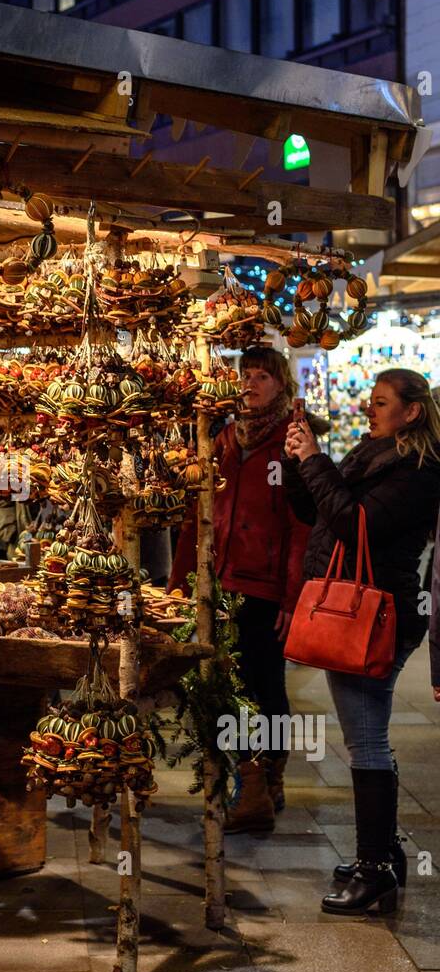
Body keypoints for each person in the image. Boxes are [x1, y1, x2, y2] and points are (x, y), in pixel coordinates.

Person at [284, 368, 440, 916]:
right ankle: (386, 854)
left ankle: (375, 869)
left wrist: (315, 460)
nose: (371, 410)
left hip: (374, 614)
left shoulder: (418, 470)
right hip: (353, 605)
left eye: (381, 403)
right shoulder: (372, 452)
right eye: (370, 402)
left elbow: (357, 526)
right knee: (368, 736)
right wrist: (301, 458)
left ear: (412, 411)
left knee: (367, 740)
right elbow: (317, 512)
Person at [169, 345, 315, 832]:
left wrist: (293, 599)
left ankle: (265, 783)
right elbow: (197, 516)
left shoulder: (292, 445)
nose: (250, 383)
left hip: (264, 591)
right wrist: (178, 582)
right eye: (245, 375)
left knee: (265, 686)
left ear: (281, 384)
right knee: (221, 687)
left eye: (262, 376)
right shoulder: (223, 440)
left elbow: (302, 531)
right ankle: (253, 784)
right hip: (218, 584)